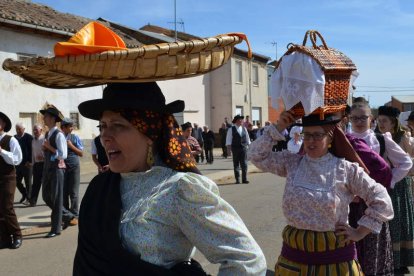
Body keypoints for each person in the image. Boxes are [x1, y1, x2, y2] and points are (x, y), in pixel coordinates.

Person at [73, 82, 266, 275]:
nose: (104, 137)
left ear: (149, 133)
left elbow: (247, 260)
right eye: (103, 126)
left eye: (118, 125)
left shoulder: (180, 189)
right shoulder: (100, 187)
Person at [248, 111, 394, 275]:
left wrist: (359, 232)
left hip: (336, 263)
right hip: (293, 261)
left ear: (330, 137)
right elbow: (255, 156)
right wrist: (279, 126)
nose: (310, 140)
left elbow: (382, 201)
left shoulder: (345, 169)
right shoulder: (291, 163)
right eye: (307, 135)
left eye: (317, 135)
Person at [347, 102, 412, 275]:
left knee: (374, 249)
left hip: (373, 206)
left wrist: (388, 181)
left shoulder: (381, 140)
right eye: (355, 118)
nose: (359, 121)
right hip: (349, 205)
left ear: (371, 119)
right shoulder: (343, 141)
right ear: (349, 119)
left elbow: (406, 162)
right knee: (349, 249)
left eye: (363, 117)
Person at [376, 105, 414, 274]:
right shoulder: (377, 137)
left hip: (400, 185)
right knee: (388, 222)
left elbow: (410, 160)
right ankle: (388, 258)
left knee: (399, 220)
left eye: (385, 121)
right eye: (379, 120)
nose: (381, 123)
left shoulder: (403, 137)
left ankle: (400, 260)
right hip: (385, 184)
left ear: (393, 123)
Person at [40, 104, 68, 238]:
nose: (43, 119)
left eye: (45, 116)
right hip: (47, 168)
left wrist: (49, 147)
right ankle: (67, 215)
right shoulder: (47, 133)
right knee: (46, 196)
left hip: (57, 169)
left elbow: (63, 154)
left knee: (56, 199)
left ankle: (56, 228)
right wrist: (44, 150)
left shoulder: (59, 135)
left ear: (52, 118)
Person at [0, 112, 23, 249]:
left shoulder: (11, 140)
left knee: (7, 207)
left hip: (8, 177)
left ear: (3, 124)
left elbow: (17, 159)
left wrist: (2, 152)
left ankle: (17, 235)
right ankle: (4, 238)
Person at [61, 118, 83, 228]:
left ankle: (75, 215)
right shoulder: (59, 138)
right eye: (69, 126)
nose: (72, 128)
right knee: (64, 192)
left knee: (73, 192)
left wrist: (71, 146)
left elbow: (81, 153)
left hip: (74, 167)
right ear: (63, 127)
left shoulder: (75, 138)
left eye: (72, 126)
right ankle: (66, 216)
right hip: (62, 168)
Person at [226, 115, 251, 184]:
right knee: (236, 164)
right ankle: (237, 179)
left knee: (244, 164)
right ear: (236, 121)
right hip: (235, 148)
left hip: (243, 148)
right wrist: (229, 150)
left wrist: (249, 146)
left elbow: (247, 139)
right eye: (240, 120)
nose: (241, 121)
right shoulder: (231, 129)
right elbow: (228, 140)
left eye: (242, 120)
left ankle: (244, 179)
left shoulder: (244, 129)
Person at [14, 122, 33, 205]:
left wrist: (30, 161)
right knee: (16, 181)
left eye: (19, 129)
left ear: (24, 129)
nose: (18, 131)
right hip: (18, 164)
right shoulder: (14, 138)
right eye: (17, 129)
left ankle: (29, 199)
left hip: (27, 164)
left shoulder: (29, 137)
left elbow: (32, 150)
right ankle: (24, 194)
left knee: (28, 182)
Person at [30, 124, 45, 207]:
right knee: (35, 183)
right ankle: (33, 201)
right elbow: (33, 153)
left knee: (46, 183)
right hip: (36, 164)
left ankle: (50, 199)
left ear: (41, 130)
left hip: (44, 164)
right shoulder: (33, 140)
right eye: (34, 130)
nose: (35, 131)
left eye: (36, 130)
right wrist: (32, 163)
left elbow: (48, 152)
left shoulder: (44, 139)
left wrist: (43, 157)